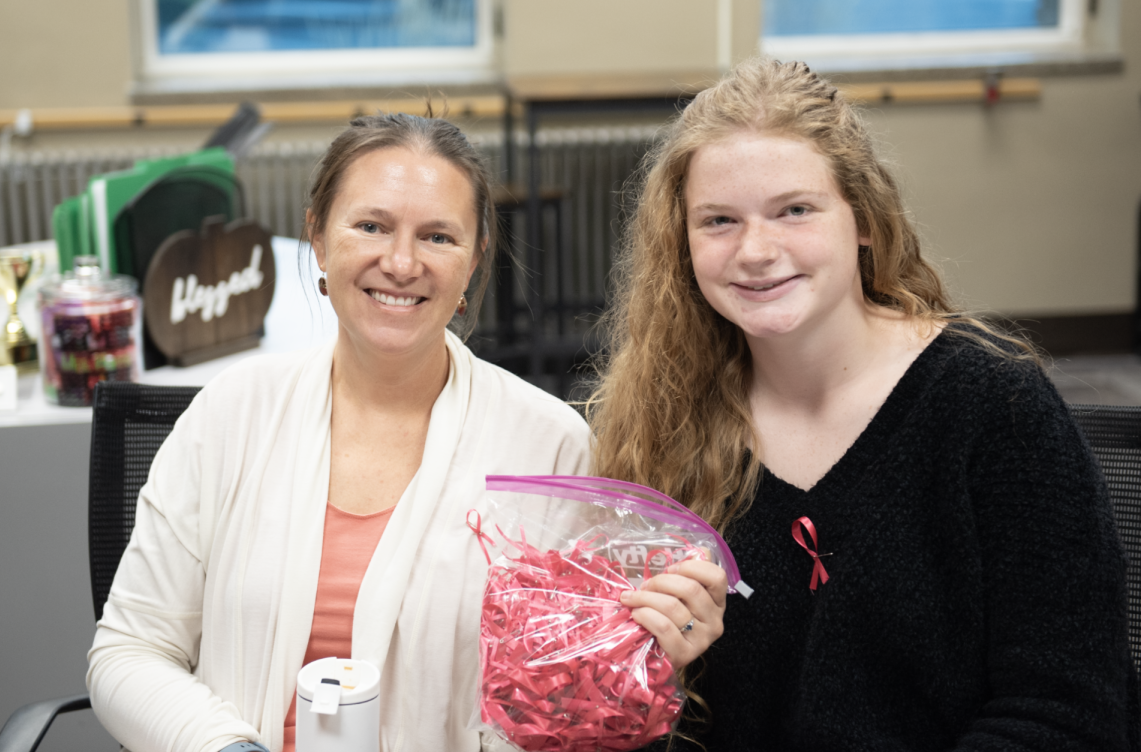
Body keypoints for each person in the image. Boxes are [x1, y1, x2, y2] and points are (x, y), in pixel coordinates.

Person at [86, 112, 720, 752]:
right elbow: (129, 653)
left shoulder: (549, 447)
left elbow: (559, 708)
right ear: (319, 239)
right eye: (371, 226)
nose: (400, 262)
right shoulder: (233, 412)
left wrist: (641, 660)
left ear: (473, 262)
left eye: (438, 237)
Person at [587, 58, 1141, 751]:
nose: (757, 250)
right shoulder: (666, 424)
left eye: (795, 209)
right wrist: (652, 681)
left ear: (864, 222)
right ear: (684, 247)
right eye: (719, 220)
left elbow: (1066, 715)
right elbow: (641, 727)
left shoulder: (993, 408)